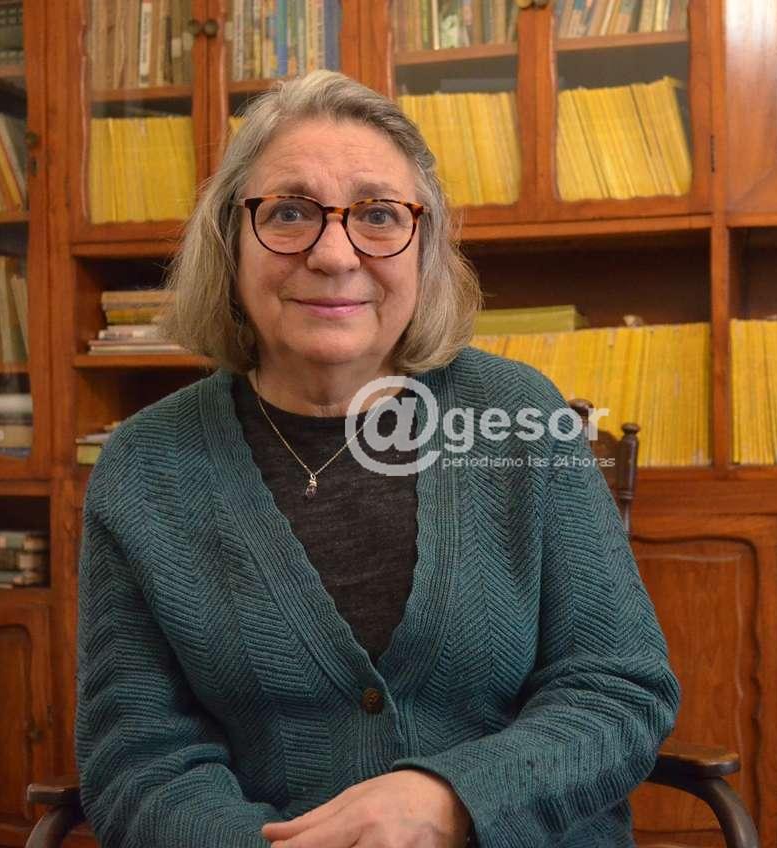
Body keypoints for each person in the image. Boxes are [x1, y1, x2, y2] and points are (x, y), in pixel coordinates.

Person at [74, 69, 680, 848]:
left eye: (379, 215)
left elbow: (621, 689)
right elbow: (137, 764)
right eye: (289, 212)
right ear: (230, 242)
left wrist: (451, 801)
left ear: (422, 248)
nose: (334, 254)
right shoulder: (144, 467)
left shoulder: (518, 416)